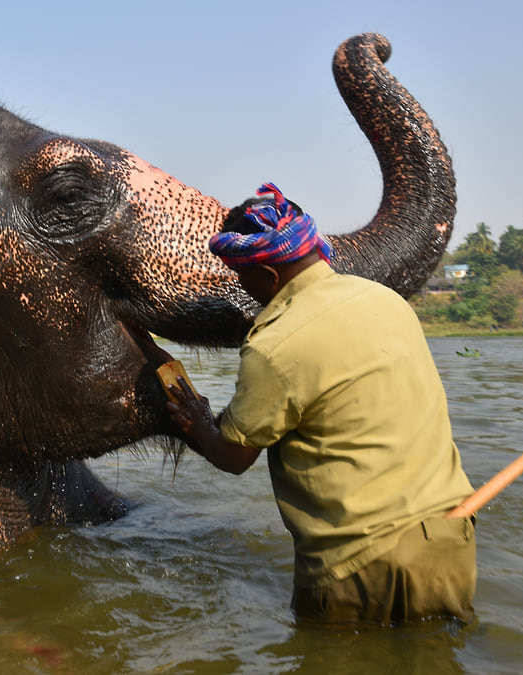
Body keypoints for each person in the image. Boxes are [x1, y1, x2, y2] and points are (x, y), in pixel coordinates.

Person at [166, 183, 476, 624]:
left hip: (358, 565)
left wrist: (198, 424)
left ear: (269, 276)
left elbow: (235, 457)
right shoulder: (388, 301)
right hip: (450, 538)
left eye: (241, 276)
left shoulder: (276, 344)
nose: (241, 286)